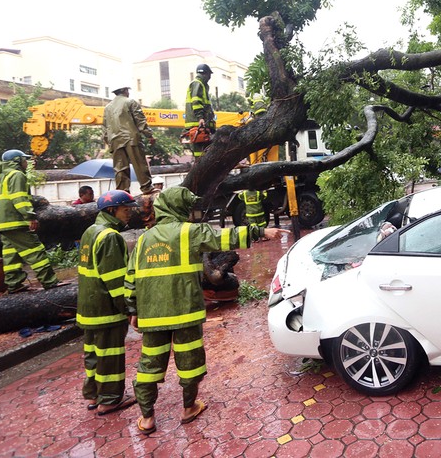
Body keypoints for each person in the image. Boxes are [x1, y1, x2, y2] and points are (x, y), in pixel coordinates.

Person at [125, 186, 287, 434]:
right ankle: (188, 408)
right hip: (185, 313)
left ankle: (147, 418)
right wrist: (262, 231)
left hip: (152, 315)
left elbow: (131, 278)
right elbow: (226, 237)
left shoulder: (144, 240)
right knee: (189, 362)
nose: (191, 212)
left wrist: (133, 310)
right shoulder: (189, 232)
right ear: (179, 208)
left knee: (150, 364)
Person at [77, 190, 138, 416]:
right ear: (112, 210)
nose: (129, 213)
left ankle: (93, 394)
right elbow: (116, 281)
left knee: (93, 354)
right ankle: (110, 399)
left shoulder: (90, 231)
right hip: (106, 310)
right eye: (125, 209)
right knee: (110, 356)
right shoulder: (110, 237)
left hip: (88, 309)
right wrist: (130, 309)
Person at [0, 149, 66, 292]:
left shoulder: (0, 178)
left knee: (11, 254)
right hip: (16, 222)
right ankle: (50, 281)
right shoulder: (17, 175)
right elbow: (19, 199)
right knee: (35, 250)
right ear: (17, 161)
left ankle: (14, 284)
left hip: (3, 223)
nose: (27, 163)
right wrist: (30, 216)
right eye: (24, 160)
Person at [103, 84, 156, 194]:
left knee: (120, 167)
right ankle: (146, 188)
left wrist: (109, 142)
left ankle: (122, 192)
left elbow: (105, 127)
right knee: (139, 164)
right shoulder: (130, 102)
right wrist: (149, 135)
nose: (128, 92)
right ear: (124, 90)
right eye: (127, 90)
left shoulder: (107, 107)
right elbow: (140, 120)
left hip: (115, 140)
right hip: (131, 138)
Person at [184, 64, 216, 159]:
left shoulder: (202, 85)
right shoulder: (197, 84)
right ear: (205, 74)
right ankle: (200, 166)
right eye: (209, 74)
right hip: (198, 124)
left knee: (206, 151)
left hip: (201, 124)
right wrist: (200, 118)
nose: (210, 77)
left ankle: (203, 165)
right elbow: (196, 102)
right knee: (200, 153)